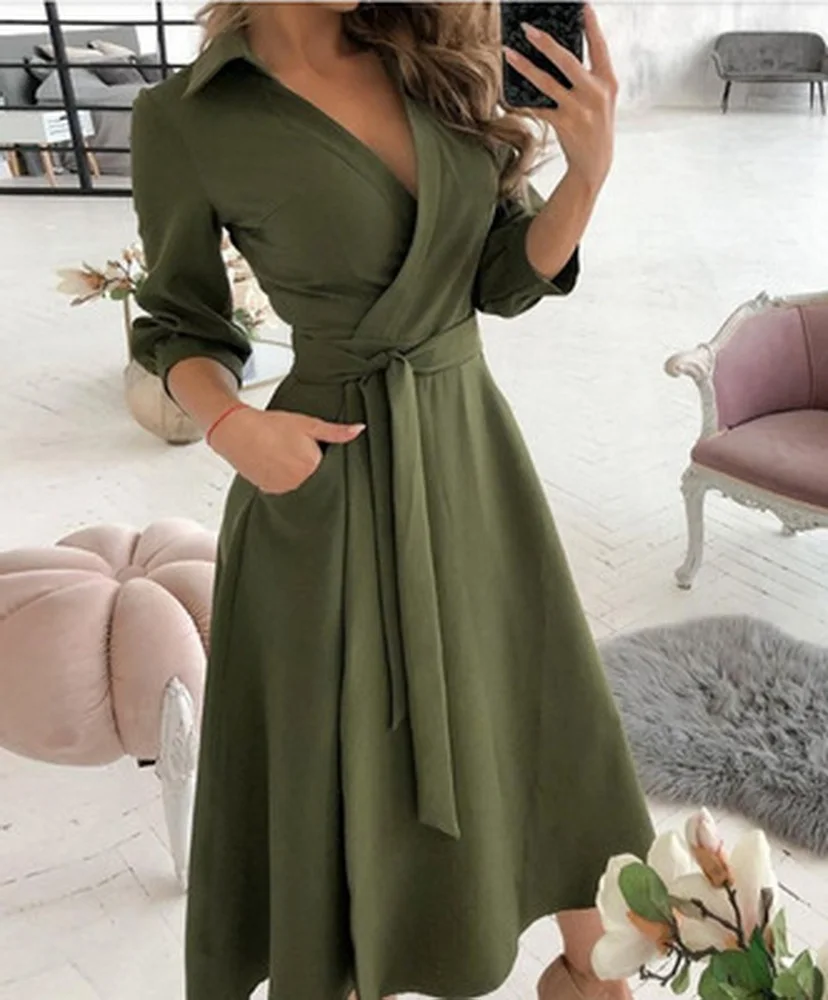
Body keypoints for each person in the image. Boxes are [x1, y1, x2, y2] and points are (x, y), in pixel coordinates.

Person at [129, 3, 654, 1000]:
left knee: (536, 709)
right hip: (324, 481)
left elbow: (500, 278)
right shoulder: (188, 117)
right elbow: (177, 321)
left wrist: (587, 177)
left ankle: (593, 976)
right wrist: (233, 427)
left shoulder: (428, 60)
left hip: (471, 451)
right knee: (354, 764)